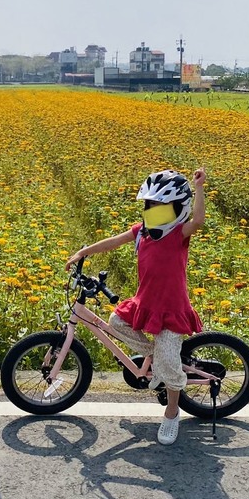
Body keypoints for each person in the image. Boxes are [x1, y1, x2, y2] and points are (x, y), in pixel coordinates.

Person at [66, 167, 206, 445]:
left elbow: (199, 220)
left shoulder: (179, 233)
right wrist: (83, 251)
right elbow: (113, 242)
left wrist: (198, 187)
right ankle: (164, 359)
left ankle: (172, 411)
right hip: (146, 303)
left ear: (177, 208)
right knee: (116, 323)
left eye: (160, 206)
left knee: (167, 363)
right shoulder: (142, 232)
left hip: (172, 308)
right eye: (150, 205)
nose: (153, 210)